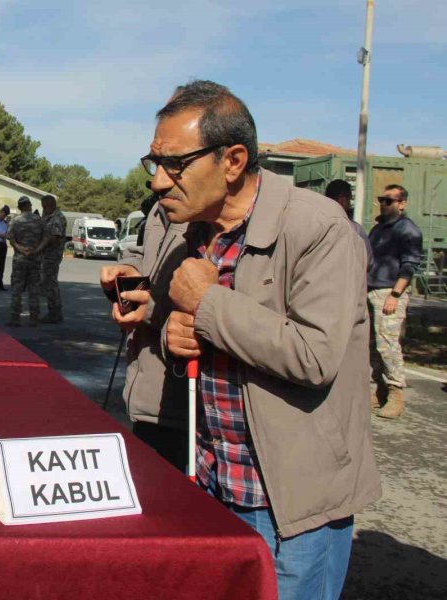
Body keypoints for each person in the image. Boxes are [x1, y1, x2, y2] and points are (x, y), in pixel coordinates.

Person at [129, 80, 380, 599]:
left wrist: (207, 305)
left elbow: (315, 356)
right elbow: (212, 338)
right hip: (210, 482)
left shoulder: (319, 229)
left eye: (173, 164)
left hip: (288, 503)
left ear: (233, 159)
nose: (157, 181)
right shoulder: (191, 235)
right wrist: (172, 327)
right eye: (152, 162)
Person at [100, 199, 190, 471]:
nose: (159, 180)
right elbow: (147, 255)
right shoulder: (160, 206)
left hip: (189, 409)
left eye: (172, 164)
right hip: (149, 401)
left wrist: (153, 308)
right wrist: (130, 271)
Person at [367, 183, 423, 418]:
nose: (383, 203)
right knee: (372, 347)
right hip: (371, 291)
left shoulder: (407, 230)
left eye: (389, 200)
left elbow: (409, 266)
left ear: (402, 204)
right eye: (381, 199)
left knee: (388, 345)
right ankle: (379, 390)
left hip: (390, 293)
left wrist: (395, 295)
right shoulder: (378, 229)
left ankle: (396, 392)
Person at [6, 196, 44, 327]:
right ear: (29, 205)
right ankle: (34, 318)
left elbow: (11, 239)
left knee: (17, 288)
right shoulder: (39, 220)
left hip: (20, 259)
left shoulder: (15, 221)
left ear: (19, 207)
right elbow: (46, 238)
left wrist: (22, 250)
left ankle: (15, 317)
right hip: (35, 257)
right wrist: (35, 250)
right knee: (34, 288)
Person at [324, 179, 372, 265]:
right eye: (349, 200)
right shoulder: (355, 230)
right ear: (343, 201)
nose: (350, 204)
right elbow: (368, 261)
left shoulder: (314, 225)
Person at [35, 194, 67, 323]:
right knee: (48, 283)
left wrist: (43, 241)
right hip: (46, 255)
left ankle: (54, 312)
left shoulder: (57, 218)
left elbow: (55, 237)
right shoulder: (48, 217)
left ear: (51, 205)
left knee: (51, 283)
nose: (43, 209)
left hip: (52, 256)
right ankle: (53, 311)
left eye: (45, 207)